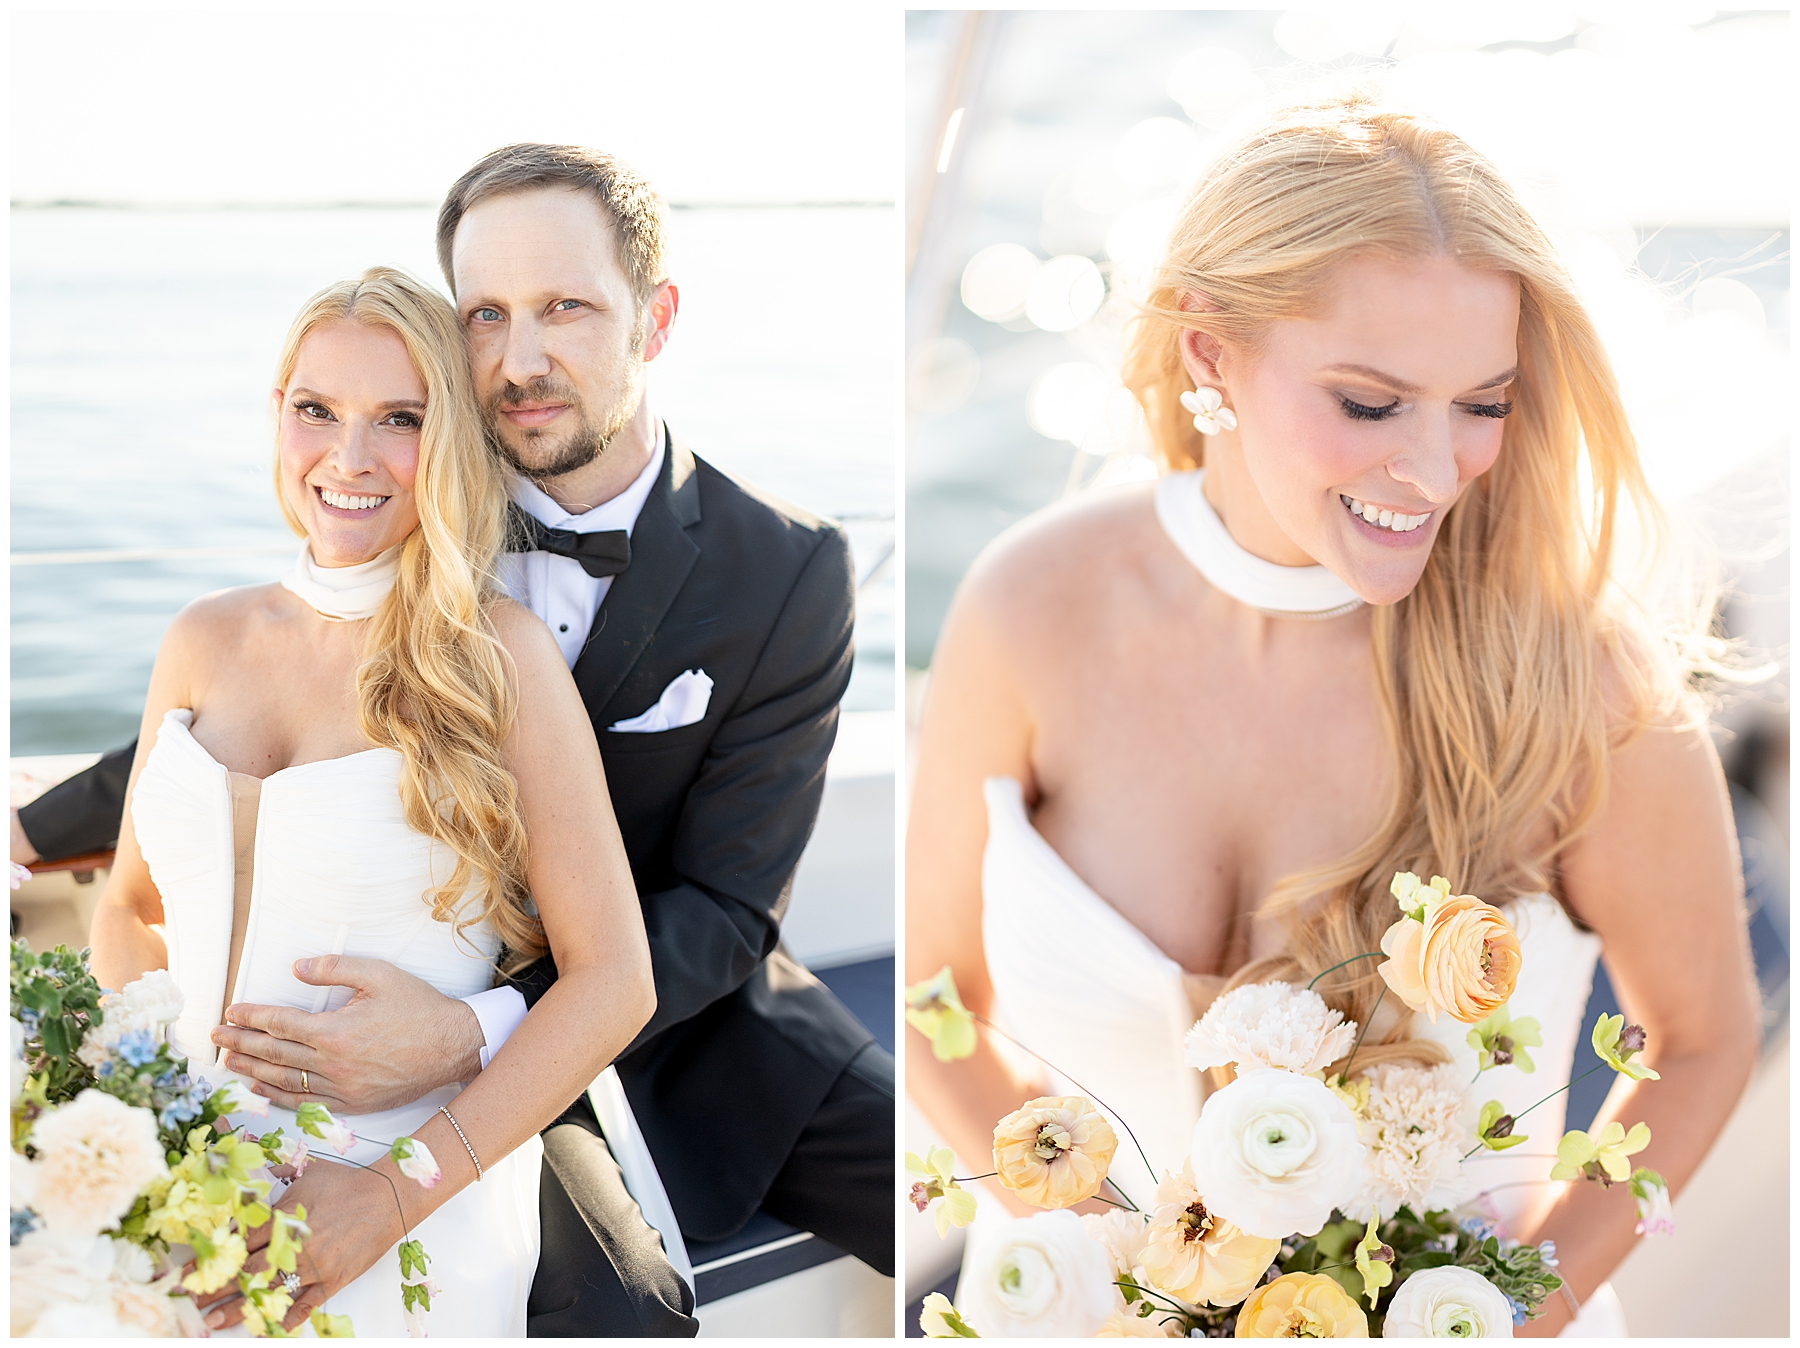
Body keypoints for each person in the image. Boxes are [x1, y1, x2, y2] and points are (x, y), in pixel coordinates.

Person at [905, 94, 1759, 1338]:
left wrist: (1519, 1313)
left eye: (1483, 402)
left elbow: (1700, 1036)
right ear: (1209, 353)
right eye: (1370, 403)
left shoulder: (1579, 680)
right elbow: (938, 1004)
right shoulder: (1029, 608)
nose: (1433, 466)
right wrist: (1111, 1254)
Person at [17, 144, 894, 1335]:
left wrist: (470, 1028)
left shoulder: (784, 568)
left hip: (693, 1023)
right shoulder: (405, 495)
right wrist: (29, 825)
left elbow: (728, 909)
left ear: (655, 317)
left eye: (566, 308)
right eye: (486, 314)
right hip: (426, 1033)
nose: (520, 360)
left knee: (986, 1201)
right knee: (612, 1309)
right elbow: (258, 717)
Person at [89, 267, 657, 1335]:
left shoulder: (501, 660)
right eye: (319, 410)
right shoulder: (203, 636)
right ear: (278, 413)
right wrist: (155, 1119)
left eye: (399, 419)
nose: (348, 460)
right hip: (183, 1177)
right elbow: (127, 907)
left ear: (449, 442)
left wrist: (388, 1194)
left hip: (395, 1193)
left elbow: (616, 981)